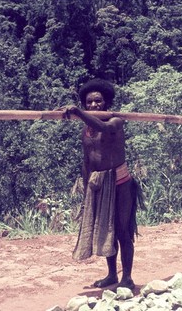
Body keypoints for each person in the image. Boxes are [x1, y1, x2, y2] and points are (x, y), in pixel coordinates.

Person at [63, 78, 143, 290]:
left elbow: (104, 128)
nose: (94, 105)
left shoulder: (115, 121)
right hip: (98, 183)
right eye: (89, 103)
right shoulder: (86, 131)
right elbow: (87, 159)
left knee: (121, 231)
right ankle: (111, 275)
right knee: (106, 231)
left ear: (106, 102)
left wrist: (79, 113)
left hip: (120, 182)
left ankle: (127, 278)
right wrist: (88, 186)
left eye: (98, 101)